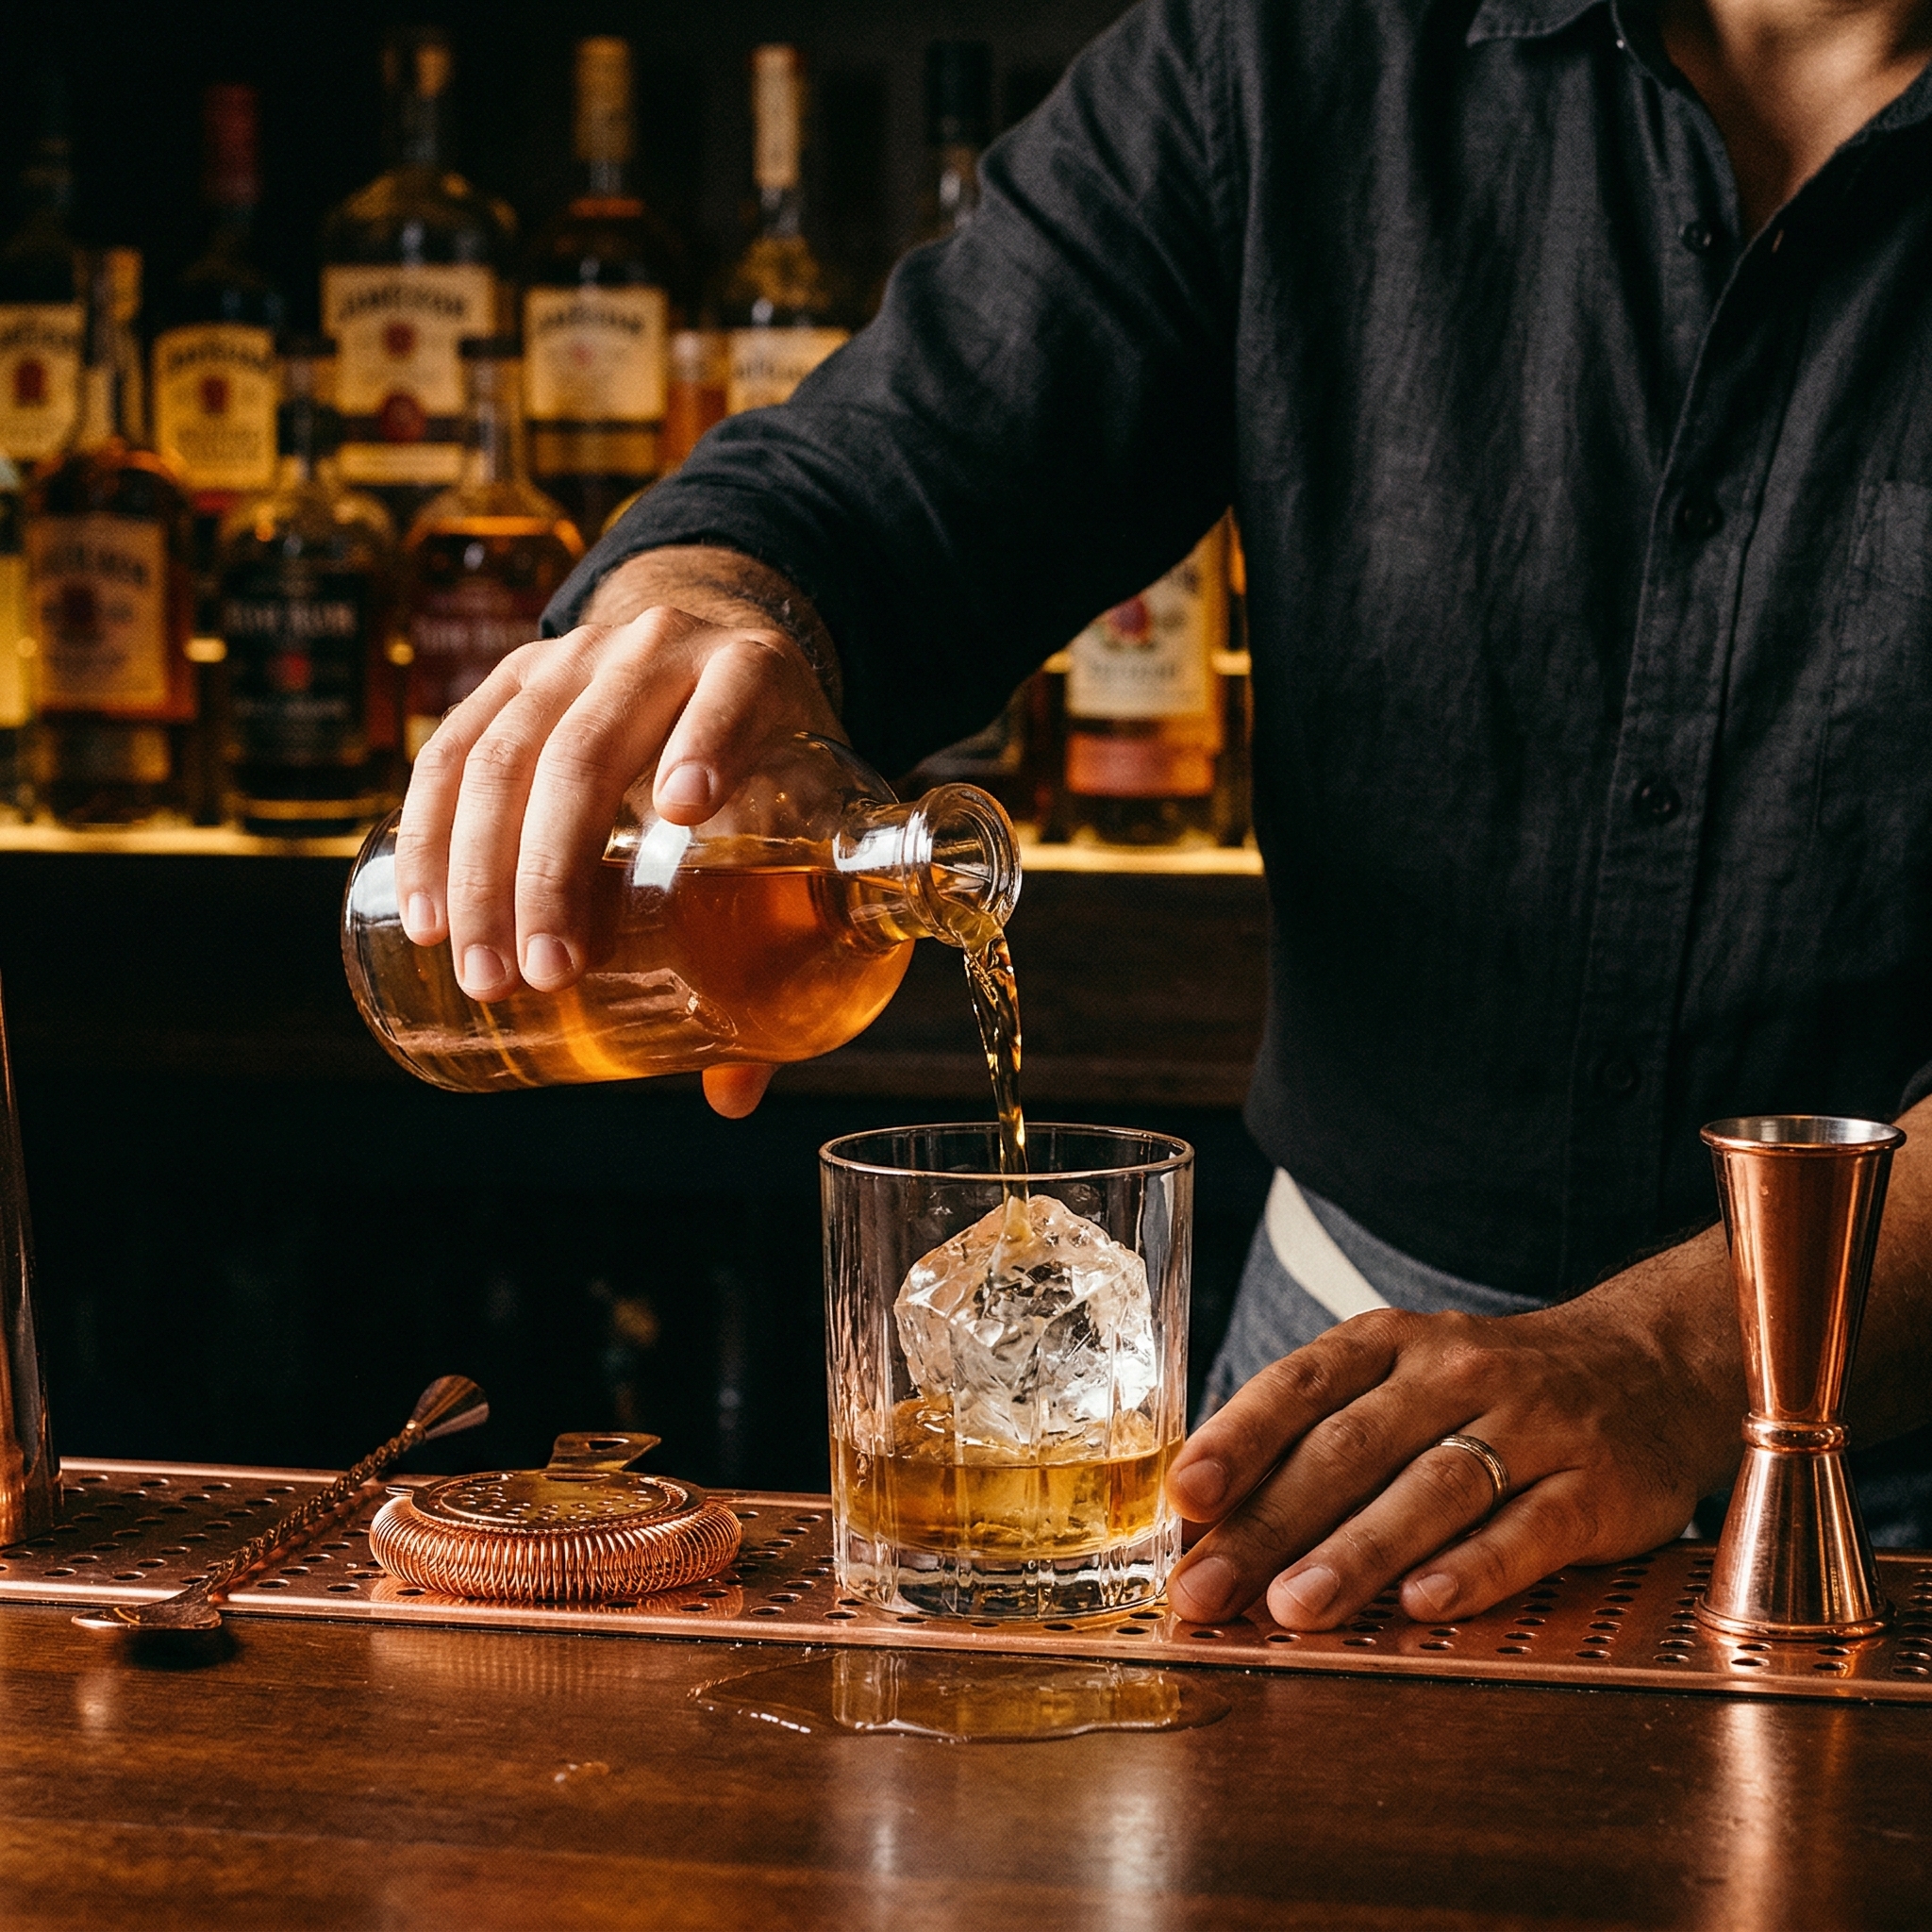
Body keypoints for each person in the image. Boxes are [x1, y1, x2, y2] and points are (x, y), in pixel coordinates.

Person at [392, 0, 1932, 1630]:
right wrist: (711, 614)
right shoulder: (1296, 49)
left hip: (1897, 1461)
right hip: (1326, 1429)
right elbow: (892, 470)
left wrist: (1679, 1354)